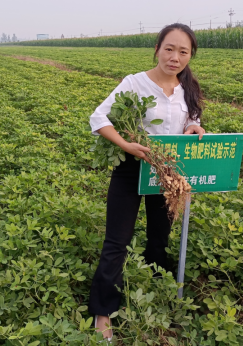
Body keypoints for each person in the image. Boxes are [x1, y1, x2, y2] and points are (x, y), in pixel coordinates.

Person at [88, 23, 206, 340]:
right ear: (157, 49)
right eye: (169, 49)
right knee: (117, 240)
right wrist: (125, 145)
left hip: (168, 171)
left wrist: (194, 126)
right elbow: (99, 118)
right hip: (132, 167)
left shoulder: (188, 88)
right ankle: (103, 313)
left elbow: (191, 119)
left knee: (159, 236)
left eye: (183, 52)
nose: (175, 57)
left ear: (190, 56)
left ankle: (156, 293)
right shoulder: (135, 83)